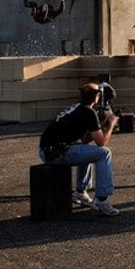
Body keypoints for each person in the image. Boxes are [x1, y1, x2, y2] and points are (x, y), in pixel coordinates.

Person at [38, 82, 120, 215]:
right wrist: (111, 124)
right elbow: (101, 142)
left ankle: (81, 193)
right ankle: (102, 200)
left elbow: (85, 139)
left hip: (47, 150)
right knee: (104, 153)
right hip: (57, 153)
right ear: (96, 98)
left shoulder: (78, 107)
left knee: (87, 149)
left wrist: (103, 124)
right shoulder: (89, 112)